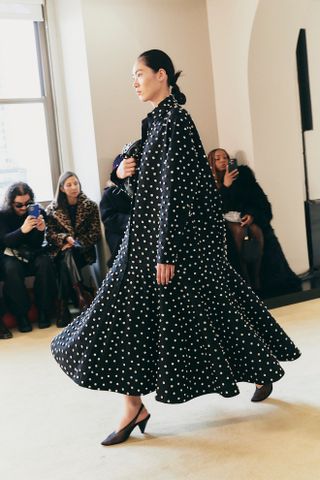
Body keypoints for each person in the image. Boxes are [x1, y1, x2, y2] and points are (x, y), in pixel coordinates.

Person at [51, 49, 301, 446]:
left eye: (139, 74)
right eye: (131, 76)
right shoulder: (153, 122)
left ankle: (139, 403)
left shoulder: (176, 121)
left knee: (197, 306)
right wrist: (119, 172)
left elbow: (175, 192)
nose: (134, 82)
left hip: (168, 243)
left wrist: (165, 252)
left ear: (162, 75)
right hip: (146, 237)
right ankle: (135, 403)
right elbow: (145, 182)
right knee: (139, 312)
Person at [208, 148, 301, 297]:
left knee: (256, 230)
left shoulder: (242, 176)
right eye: (218, 158)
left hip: (241, 217)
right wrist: (225, 186)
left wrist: (252, 214)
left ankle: (256, 277)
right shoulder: (207, 181)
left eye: (225, 157)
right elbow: (213, 208)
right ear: (211, 162)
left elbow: (257, 200)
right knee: (238, 232)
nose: (223, 160)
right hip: (223, 220)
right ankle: (244, 277)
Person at [46, 172, 101, 327]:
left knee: (67, 258)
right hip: (62, 251)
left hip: (83, 251)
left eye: (75, 183)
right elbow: (49, 234)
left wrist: (76, 242)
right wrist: (64, 238)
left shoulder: (89, 206)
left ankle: (63, 307)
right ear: (62, 188)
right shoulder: (52, 209)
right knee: (65, 258)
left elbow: (95, 234)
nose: (73, 187)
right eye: (69, 185)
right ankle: (81, 294)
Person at [0, 182, 57, 332]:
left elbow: (37, 244)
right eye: (19, 205)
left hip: (33, 253)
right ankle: (21, 315)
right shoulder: (3, 215)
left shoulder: (38, 213)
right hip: (11, 254)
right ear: (11, 203)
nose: (24, 208)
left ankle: (44, 311)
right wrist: (22, 230)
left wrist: (40, 231)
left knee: (45, 263)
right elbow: (5, 241)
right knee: (12, 268)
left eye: (28, 203)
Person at [100, 155, 131, 268]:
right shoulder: (110, 193)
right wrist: (130, 221)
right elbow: (108, 218)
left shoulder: (137, 192)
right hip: (118, 233)